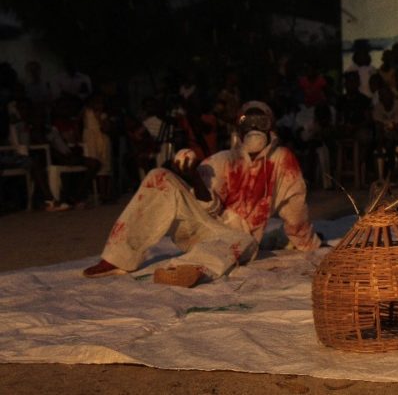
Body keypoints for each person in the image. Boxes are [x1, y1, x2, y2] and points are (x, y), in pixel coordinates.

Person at [82, 101, 320, 288]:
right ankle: (117, 257)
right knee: (159, 176)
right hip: (205, 228)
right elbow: (209, 209)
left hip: (237, 240)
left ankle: (187, 269)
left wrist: (307, 242)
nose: (254, 127)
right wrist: (193, 178)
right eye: (249, 120)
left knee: (243, 240)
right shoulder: (222, 160)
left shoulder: (282, 160)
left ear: (271, 126)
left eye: (261, 120)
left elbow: (295, 206)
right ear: (239, 126)